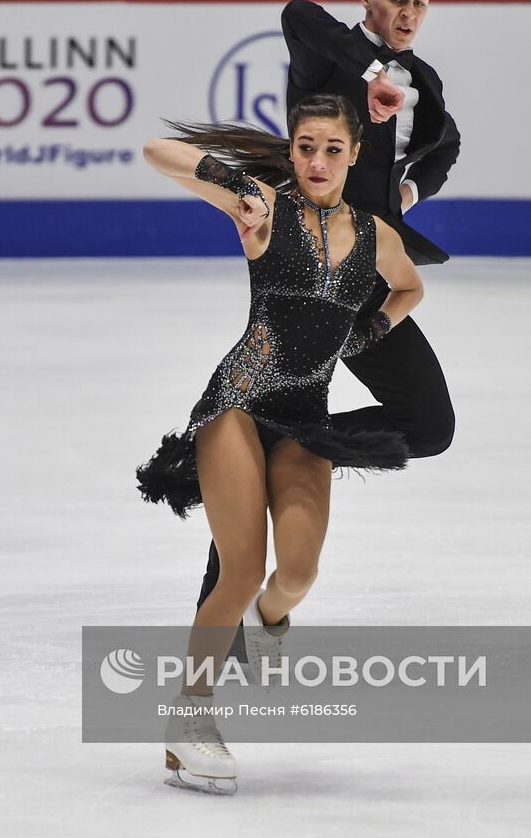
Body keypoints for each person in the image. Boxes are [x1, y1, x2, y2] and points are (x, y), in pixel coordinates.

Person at [136, 93, 423, 794]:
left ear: (355, 153)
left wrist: (363, 336)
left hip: (304, 415)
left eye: (332, 148)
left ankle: (267, 624)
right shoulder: (266, 208)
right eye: (305, 147)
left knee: (296, 573)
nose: (318, 160)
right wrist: (241, 188)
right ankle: (191, 717)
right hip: (237, 402)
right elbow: (157, 153)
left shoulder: (378, 234)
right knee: (240, 568)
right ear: (291, 151)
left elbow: (408, 288)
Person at [196, 0, 460, 641]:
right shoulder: (327, 51)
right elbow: (294, 10)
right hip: (307, 272)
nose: (408, 14)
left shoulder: (423, 81)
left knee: (430, 425)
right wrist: (369, 70)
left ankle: (296, 444)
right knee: (251, 427)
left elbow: (448, 137)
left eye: (421, 4)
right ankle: (221, 615)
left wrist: (413, 185)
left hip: (370, 279)